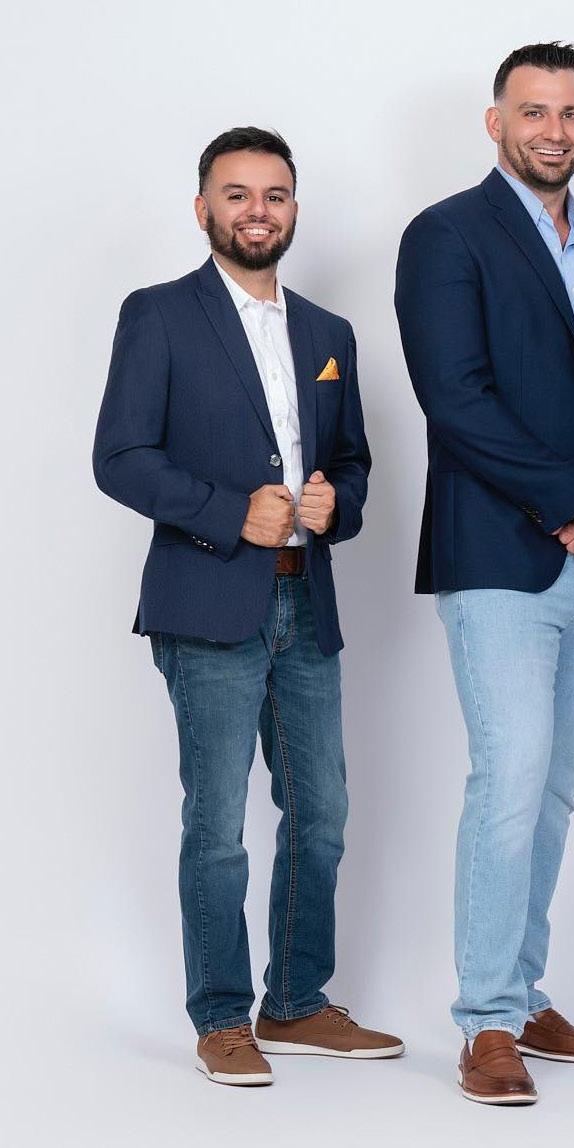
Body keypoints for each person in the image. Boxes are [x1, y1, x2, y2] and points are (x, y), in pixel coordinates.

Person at [394, 42, 574, 1105]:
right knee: (509, 780)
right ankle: (484, 1020)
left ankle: (520, 992)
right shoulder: (446, 235)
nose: (554, 131)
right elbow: (456, 398)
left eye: (570, 113)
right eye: (533, 111)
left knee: (552, 791)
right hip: (501, 557)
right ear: (496, 122)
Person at [93, 127, 401, 1086]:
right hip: (208, 602)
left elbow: (352, 461)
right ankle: (222, 1016)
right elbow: (120, 458)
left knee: (323, 814)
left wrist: (337, 503)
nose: (256, 211)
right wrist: (233, 513)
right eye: (236, 194)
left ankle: (297, 1002)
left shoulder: (329, 334)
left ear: (294, 209)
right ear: (203, 209)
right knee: (218, 824)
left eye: (274, 194)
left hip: (307, 600)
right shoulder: (158, 314)